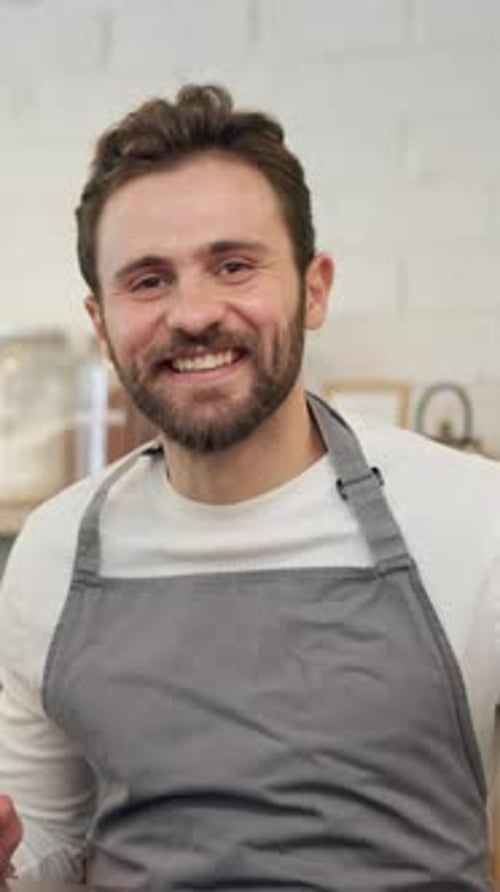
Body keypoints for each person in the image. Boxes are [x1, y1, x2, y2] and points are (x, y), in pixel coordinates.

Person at [0, 84, 499, 891]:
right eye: (148, 281)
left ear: (315, 287)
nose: (193, 314)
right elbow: (47, 843)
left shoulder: (476, 521)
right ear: (102, 324)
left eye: (233, 265)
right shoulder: (54, 554)